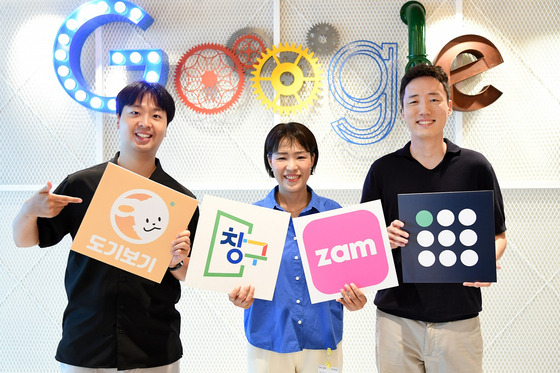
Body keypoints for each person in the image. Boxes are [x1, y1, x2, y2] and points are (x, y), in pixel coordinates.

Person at [12, 81, 199, 372]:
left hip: (154, 346)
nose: (145, 122)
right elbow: (25, 240)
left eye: (156, 115)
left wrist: (177, 262)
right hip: (86, 343)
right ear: (118, 119)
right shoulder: (82, 185)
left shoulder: (180, 200)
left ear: (165, 126)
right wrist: (28, 212)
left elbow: (187, 271)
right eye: (135, 112)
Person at [361, 64, 507, 372]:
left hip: (459, 317)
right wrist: (381, 237)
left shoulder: (475, 166)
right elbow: (363, 244)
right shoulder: (383, 171)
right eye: (413, 101)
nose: (423, 109)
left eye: (434, 99)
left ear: (450, 106)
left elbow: (498, 236)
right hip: (396, 318)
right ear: (402, 111)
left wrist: (486, 261)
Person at [228, 122, 367, 373]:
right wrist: (237, 295)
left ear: (312, 160)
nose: (291, 166)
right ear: (270, 161)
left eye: (300, 156)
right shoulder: (253, 217)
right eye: (282, 157)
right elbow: (237, 277)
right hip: (268, 340)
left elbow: (349, 277)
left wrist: (355, 298)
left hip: (322, 338)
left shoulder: (332, 213)